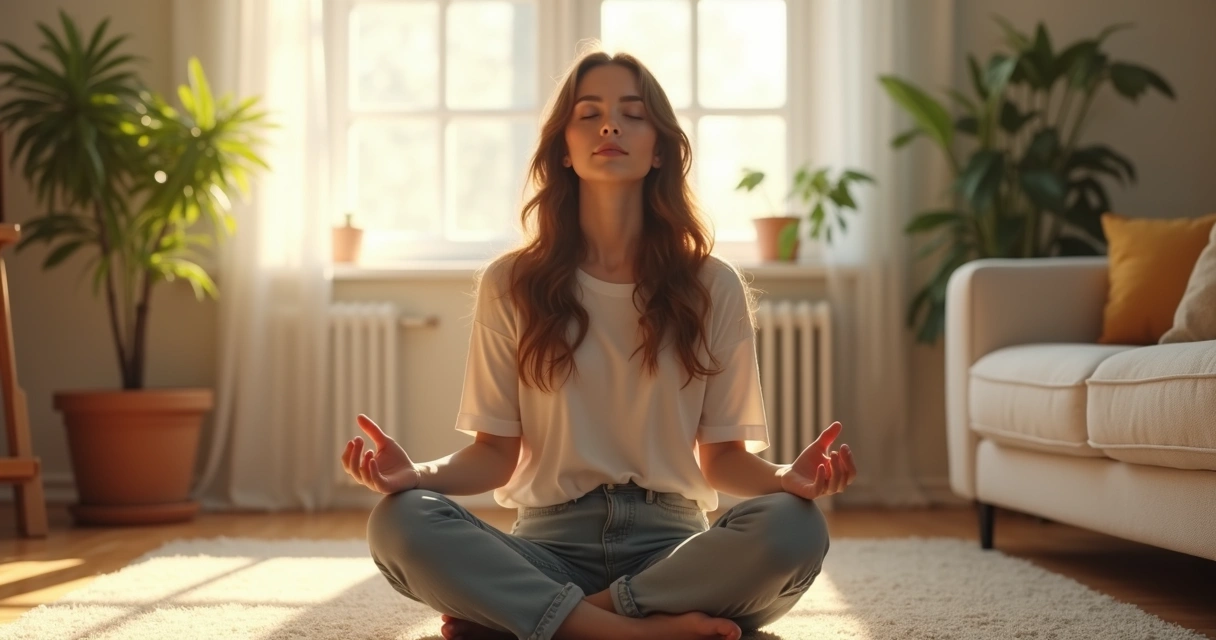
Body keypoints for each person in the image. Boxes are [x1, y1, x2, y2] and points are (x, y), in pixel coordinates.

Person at [340, 49, 857, 640]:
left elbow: (723, 460)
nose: (610, 125)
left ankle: (552, 620)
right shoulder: (510, 283)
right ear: (563, 146)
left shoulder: (713, 285)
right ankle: (637, 631)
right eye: (589, 113)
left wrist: (789, 478)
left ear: (660, 148)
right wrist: (417, 475)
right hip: (546, 546)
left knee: (797, 528)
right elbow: (493, 454)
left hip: (673, 553)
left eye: (632, 114)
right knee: (400, 521)